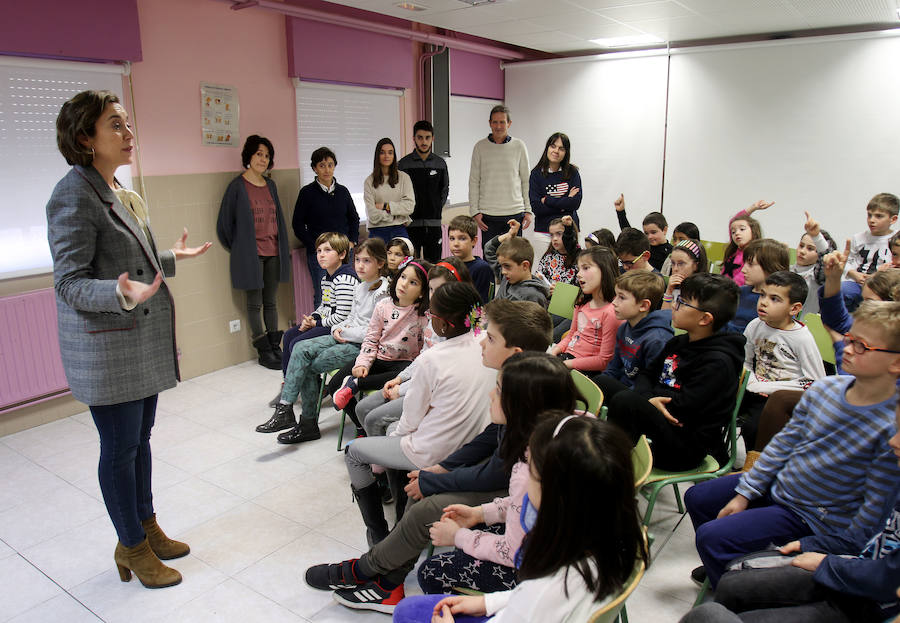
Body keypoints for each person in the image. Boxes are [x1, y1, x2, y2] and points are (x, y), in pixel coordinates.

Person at [47, 90, 212, 588]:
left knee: (138, 443)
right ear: (84, 138)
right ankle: (133, 547)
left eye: (126, 123)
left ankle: (145, 526)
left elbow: (127, 261)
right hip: (108, 349)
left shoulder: (112, 187)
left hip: (134, 345)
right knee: (119, 449)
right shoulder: (72, 193)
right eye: (114, 125)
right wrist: (118, 294)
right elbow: (70, 282)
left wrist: (169, 259)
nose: (127, 132)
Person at [303, 300, 554, 612]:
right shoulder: (517, 380)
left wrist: (437, 479)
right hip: (507, 480)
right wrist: (442, 468)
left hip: (517, 492)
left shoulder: (530, 391)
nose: (481, 342)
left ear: (514, 353)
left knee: (431, 504)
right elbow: (490, 438)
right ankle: (387, 583)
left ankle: (365, 570)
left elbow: (498, 470)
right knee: (422, 489)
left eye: (490, 338)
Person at [685, 301, 900, 589]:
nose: (847, 349)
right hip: (782, 487)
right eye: (849, 340)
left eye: (862, 346)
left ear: (896, 362)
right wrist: (747, 492)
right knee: (699, 498)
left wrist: (837, 548)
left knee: (713, 536)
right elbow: (783, 445)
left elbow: (873, 508)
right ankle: (732, 566)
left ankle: (742, 588)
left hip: (812, 516)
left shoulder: (892, 425)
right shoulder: (825, 389)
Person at [392, 414, 648, 623]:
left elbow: (533, 600)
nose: (524, 475)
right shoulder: (618, 533)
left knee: (407, 612)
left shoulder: (546, 585)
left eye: (532, 470)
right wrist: (488, 602)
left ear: (556, 496)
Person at [679, 400, 900, 623]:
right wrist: (812, 547)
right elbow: (867, 539)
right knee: (730, 583)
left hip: (864, 598)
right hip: (853, 574)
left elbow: (887, 576)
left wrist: (827, 564)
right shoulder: (830, 391)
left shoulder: (883, 445)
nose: (893, 441)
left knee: (707, 612)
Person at [342, 282, 490, 547]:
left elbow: (409, 421)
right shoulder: (487, 342)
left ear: (442, 323)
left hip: (437, 450)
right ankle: (402, 511)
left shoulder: (433, 358)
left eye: (431, 315)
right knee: (392, 431)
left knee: (354, 452)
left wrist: (393, 441)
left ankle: (377, 533)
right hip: (476, 445)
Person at [418, 354, 580, 595]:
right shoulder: (568, 431)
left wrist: (459, 536)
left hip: (544, 576)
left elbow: (513, 552)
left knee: (430, 571)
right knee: (471, 540)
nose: (491, 395)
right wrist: (480, 513)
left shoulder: (530, 468)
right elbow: (521, 505)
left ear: (522, 404)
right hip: (564, 554)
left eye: (498, 389)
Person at [595, 273, 745, 471]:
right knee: (603, 382)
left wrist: (647, 399)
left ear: (705, 319)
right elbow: (647, 374)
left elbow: (684, 407)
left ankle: (610, 463)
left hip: (684, 445)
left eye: (682, 302)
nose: (674, 306)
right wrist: (649, 398)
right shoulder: (679, 342)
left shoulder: (719, 362)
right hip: (660, 420)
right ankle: (606, 450)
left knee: (626, 401)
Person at [256, 238, 390, 440]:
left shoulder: (384, 292)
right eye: (358, 261)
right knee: (299, 347)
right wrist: (338, 328)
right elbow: (350, 317)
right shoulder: (361, 287)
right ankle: (285, 409)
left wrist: (343, 332)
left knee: (307, 365)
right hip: (347, 337)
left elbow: (372, 333)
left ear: (380, 263)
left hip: (363, 348)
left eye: (367, 261)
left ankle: (307, 423)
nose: (360, 266)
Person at [356, 258, 473, 440]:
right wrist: (400, 378)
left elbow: (435, 378)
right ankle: (377, 458)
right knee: (362, 408)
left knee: (375, 419)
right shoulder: (433, 319)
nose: (435, 296)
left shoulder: (455, 329)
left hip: (432, 394)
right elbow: (423, 358)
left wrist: (401, 389)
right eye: (432, 290)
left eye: (441, 290)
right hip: (414, 383)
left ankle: (379, 462)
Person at [216, 134, 291, 369]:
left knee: (270, 301)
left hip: (273, 251)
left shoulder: (270, 185)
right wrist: (241, 248)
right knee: (254, 303)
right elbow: (224, 226)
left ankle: (275, 345)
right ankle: (263, 350)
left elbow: (277, 218)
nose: (263, 159)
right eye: (259, 154)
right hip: (251, 254)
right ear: (249, 155)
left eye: (267, 155)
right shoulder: (237, 187)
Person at [328, 259, 431, 430]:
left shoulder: (423, 315)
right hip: (378, 358)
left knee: (403, 375)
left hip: (403, 365)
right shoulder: (383, 306)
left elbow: (424, 352)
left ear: (421, 292)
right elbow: (371, 339)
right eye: (403, 277)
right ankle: (360, 426)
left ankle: (355, 384)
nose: (404, 284)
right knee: (334, 385)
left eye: (413, 282)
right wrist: (363, 363)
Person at [739, 271, 826, 456]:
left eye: (774, 299)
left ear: (794, 309)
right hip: (755, 388)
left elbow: (814, 381)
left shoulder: (801, 338)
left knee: (753, 427)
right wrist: (750, 379)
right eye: (762, 295)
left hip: (780, 398)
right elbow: (744, 360)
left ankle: (754, 466)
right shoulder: (755, 325)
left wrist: (766, 386)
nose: (763, 302)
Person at [277, 232, 357, 376]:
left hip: (340, 327)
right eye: (319, 251)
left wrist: (316, 324)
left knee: (297, 343)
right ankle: (289, 381)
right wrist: (312, 318)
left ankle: (306, 383)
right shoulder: (326, 278)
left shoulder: (344, 279)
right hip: (327, 323)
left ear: (342, 254)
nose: (321, 255)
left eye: (327, 250)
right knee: (289, 335)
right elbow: (324, 306)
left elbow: (342, 317)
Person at [292, 146, 360, 307]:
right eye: (322, 165)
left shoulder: (343, 191)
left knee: (346, 291)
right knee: (324, 295)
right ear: (315, 168)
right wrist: (315, 247)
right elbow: (298, 224)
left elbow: (354, 219)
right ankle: (321, 330)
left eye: (330, 164)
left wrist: (352, 242)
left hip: (343, 252)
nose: (327, 169)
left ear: (335, 166)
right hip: (320, 254)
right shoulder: (307, 193)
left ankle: (344, 329)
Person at [551, 246, 623, 372]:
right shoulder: (582, 303)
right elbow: (571, 335)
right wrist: (554, 351)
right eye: (579, 269)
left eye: (586, 268)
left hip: (584, 370)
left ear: (604, 270)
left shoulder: (611, 312)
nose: (578, 274)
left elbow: (603, 361)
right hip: (567, 360)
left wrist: (566, 364)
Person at [468, 105, 531, 244]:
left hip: (515, 212)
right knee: (491, 260)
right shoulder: (480, 147)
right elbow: (474, 181)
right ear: (490, 123)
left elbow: (526, 181)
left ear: (509, 123)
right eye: (495, 122)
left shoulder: (519, 146)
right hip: (488, 215)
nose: (498, 126)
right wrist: (475, 212)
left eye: (502, 122)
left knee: (514, 259)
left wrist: (528, 210)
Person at [602, 271, 673, 388]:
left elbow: (651, 384)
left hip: (637, 394)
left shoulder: (657, 340)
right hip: (622, 387)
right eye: (616, 296)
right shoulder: (624, 327)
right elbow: (613, 368)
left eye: (622, 297)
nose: (614, 302)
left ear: (644, 306)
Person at [398, 120, 449, 262]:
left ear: (432, 138)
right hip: (410, 225)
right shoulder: (403, 164)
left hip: (434, 225)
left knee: (433, 265)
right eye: (420, 137)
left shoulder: (440, 163)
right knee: (410, 265)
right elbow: (399, 192)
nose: (424, 141)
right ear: (414, 138)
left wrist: (436, 207)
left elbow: (444, 189)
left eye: (427, 137)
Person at [840, 192, 899, 310]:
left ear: (893, 219)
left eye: (879, 216)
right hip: (857, 283)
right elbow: (846, 261)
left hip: (880, 287)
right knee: (841, 290)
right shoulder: (858, 238)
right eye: (869, 215)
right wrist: (853, 274)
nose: (872, 220)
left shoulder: (895, 239)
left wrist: (879, 275)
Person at [529, 132, 583, 256]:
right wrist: (565, 202)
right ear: (547, 148)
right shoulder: (536, 174)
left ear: (566, 152)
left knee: (569, 271)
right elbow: (537, 208)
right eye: (553, 146)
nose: (556, 151)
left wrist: (547, 200)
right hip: (544, 233)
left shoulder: (572, 172)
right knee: (544, 272)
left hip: (569, 231)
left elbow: (575, 203)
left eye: (561, 148)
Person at [723, 238, 790, 334]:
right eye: (744, 263)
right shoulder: (740, 292)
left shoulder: (778, 303)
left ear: (770, 266)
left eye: (750, 264)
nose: (743, 270)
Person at [484, 219, 550, 306]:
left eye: (507, 266)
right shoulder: (507, 278)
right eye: (502, 266)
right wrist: (509, 235)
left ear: (525, 265)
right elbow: (489, 248)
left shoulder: (532, 296)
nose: (503, 271)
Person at [364, 137, 416, 243]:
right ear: (377, 155)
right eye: (382, 152)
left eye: (390, 152)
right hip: (377, 231)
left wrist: (385, 206)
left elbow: (409, 207)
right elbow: (373, 215)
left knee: (404, 259)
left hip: (399, 229)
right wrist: (397, 215)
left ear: (394, 155)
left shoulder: (404, 178)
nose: (387, 156)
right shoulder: (369, 181)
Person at [790, 210, 836, 315]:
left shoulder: (817, 276)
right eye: (801, 245)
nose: (802, 251)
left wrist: (816, 237)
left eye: (810, 249)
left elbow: (826, 256)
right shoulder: (789, 269)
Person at [613, 194, 672, 272]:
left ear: (664, 230)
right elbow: (629, 235)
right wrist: (621, 212)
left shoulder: (671, 252)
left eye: (653, 232)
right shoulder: (643, 247)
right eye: (646, 233)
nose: (650, 237)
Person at [722, 200, 773, 286]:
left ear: (753, 231)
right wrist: (753, 207)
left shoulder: (754, 255)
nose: (737, 233)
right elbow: (733, 221)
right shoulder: (735, 250)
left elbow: (740, 280)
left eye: (742, 229)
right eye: (733, 232)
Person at [447, 215, 494, 303]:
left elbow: (484, 303)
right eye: (452, 238)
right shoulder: (447, 265)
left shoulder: (482, 268)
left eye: (462, 238)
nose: (456, 244)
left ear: (474, 241)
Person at [662, 239, 709, 310]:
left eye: (681, 263)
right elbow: (663, 317)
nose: (675, 269)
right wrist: (669, 291)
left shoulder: (704, 290)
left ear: (696, 265)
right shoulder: (672, 286)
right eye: (673, 263)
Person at [536, 215, 580, 289]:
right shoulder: (548, 257)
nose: (554, 239)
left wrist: (560, 291)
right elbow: (540, 275)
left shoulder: (579, 258)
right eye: (551, 235)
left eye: (559, 234)